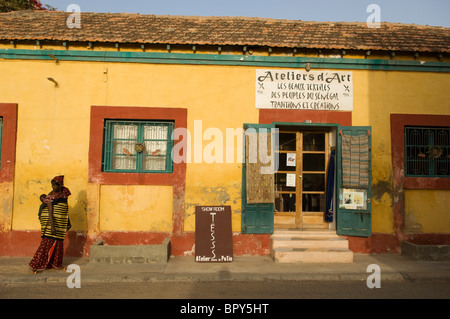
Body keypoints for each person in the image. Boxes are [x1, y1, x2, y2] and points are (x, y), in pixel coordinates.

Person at [29, 175, 71, 273]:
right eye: (52, 185)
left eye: (55, 185)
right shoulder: (50, 195)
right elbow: (50, 211)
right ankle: (36, 265)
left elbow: (65, 209)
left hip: (61, 223)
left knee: (58, 242)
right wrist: (52, 226)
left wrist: (68, 222)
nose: (53, 187)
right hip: (51, 222)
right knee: (47, 243)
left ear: (60, 185)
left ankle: (55, 264)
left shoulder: (64, 194)